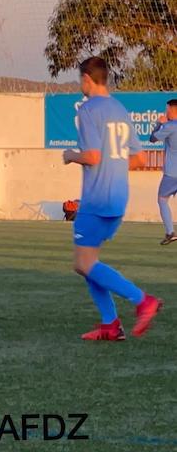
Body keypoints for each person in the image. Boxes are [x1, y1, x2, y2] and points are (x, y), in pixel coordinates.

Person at [62, 56, 162, 340]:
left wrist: (70, 156)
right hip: (118, 197)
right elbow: (141, 158)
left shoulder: (88, 110)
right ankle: (110, 325)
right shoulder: (119, 108)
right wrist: (113, 165)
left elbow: (92, 157)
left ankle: (143, 301)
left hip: (96, 198)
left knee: (83, 263)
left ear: (86, 79)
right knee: (88, 263)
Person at [149, 99, 177, 245]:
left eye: (168, 110)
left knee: (162, 199)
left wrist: (159, 124)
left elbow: (152, 138)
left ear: (173, 110)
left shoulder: (170, 126)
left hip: (173, 173)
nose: (166, 113)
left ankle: (170, 232)